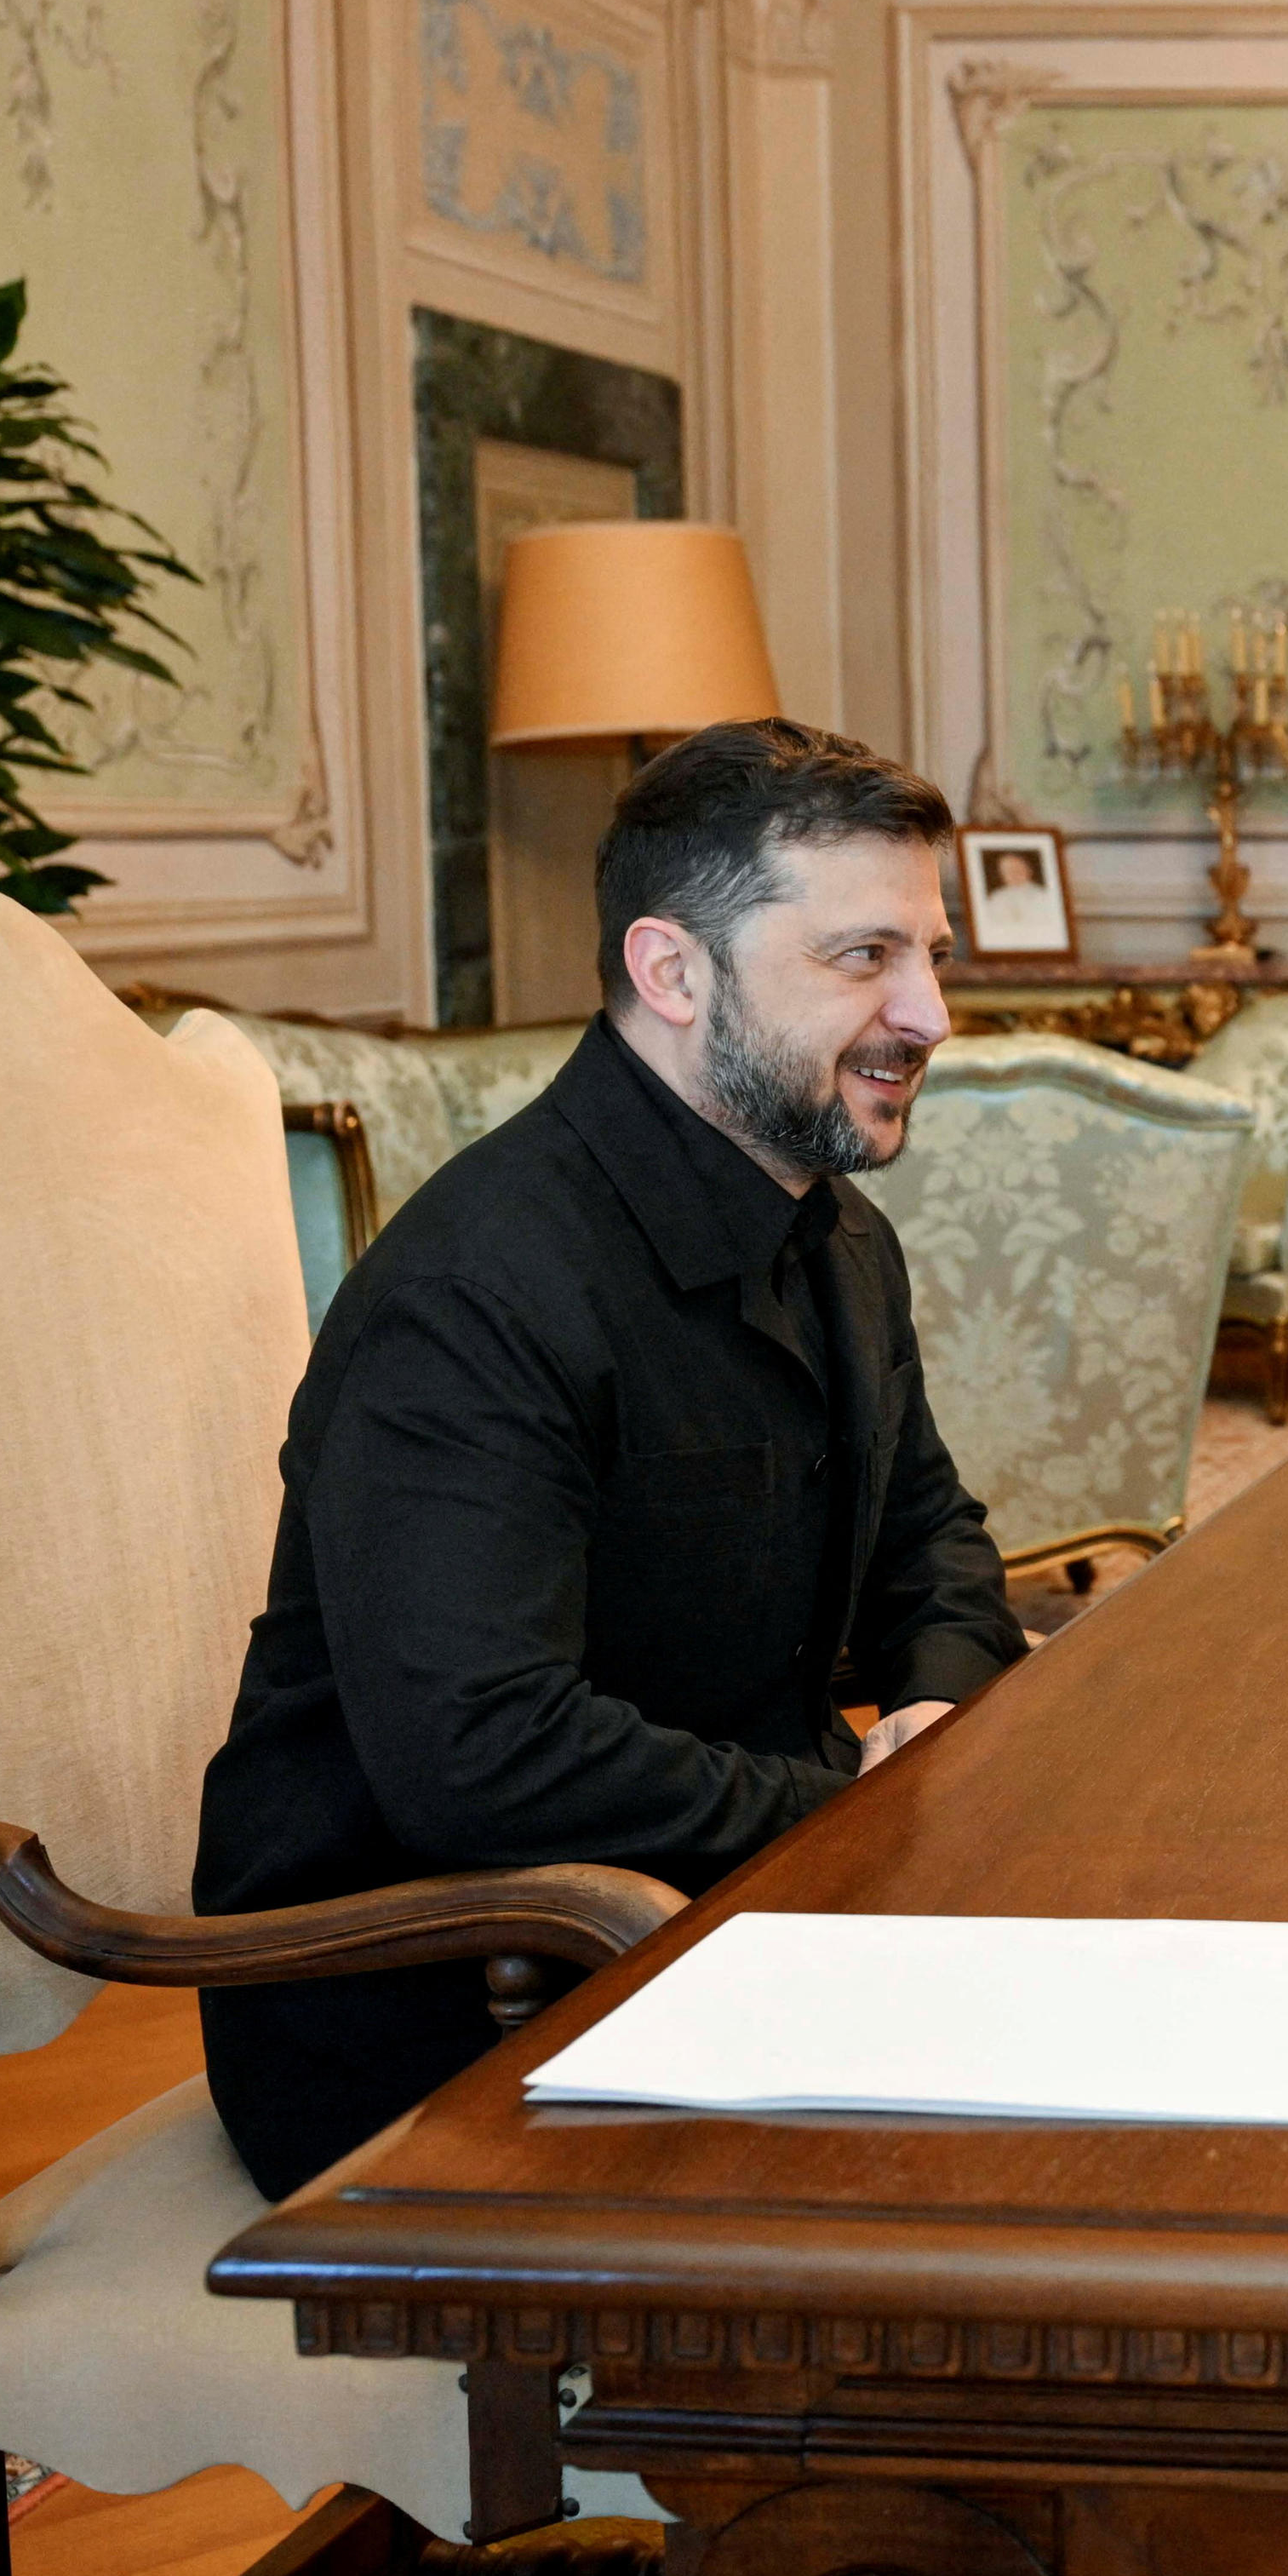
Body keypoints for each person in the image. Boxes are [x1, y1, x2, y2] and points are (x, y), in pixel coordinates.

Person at [193, 720, 1029, 2199]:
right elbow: (484, 1757)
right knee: (1027, 2177)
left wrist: (934, 1707)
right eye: (865, 959)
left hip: (713, 1928)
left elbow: (932, 1544)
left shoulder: (838, 1234)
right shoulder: (481, 1290)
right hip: (439, 2016)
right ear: (672, 972)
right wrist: (857, 1803)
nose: (930, 1012)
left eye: (933, 954)